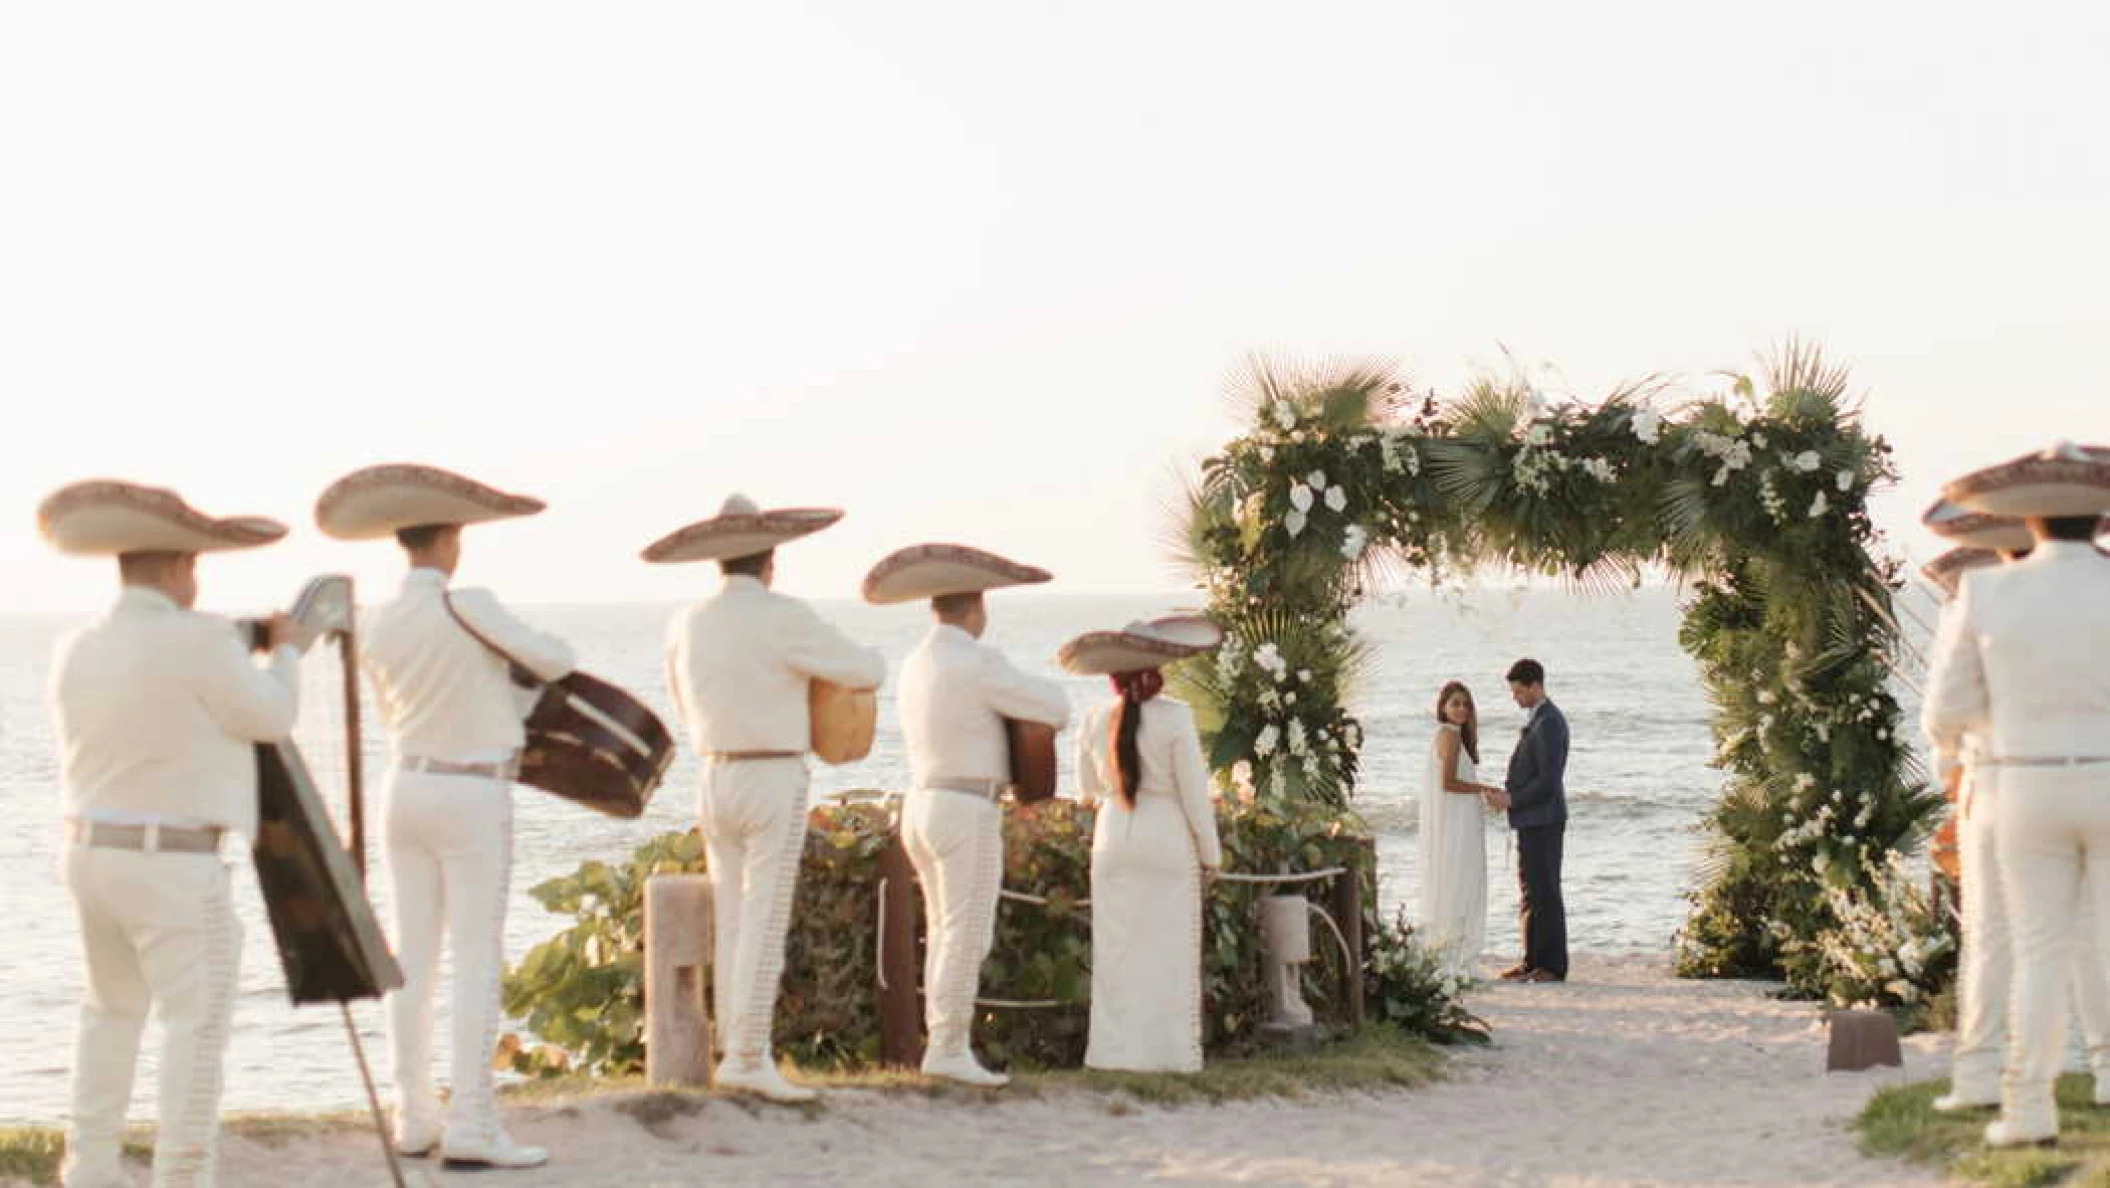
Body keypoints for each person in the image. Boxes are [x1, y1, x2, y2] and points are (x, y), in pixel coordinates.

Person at [40, 479, 302, 1187]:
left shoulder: (76, 645)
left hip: (90, 850)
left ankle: (89, 1169)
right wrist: (286, 653)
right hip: (173, 863)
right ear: (184, 566)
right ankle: (182, 1176)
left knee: (108, 1016)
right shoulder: (201, 638)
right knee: (196, 1025)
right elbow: (270, 717)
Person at [315, 463, 574, 1169]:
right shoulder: (474, 603)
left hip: (407, 785)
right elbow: (557, 661)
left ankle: (412, 1116)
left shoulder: (378, 617)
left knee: (413, 959)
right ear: (452, 538)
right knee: (476, 958)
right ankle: (473, 1123)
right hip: (472, 789)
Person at [650, 494, 885, 1103]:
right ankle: (749, 1056)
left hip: (713, 772)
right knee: (763, 916)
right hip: (772, 774)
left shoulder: (686, 621)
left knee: (732, 916)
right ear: (771, 559)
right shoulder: (782, 614)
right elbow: (863, 670)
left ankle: (736, 1048)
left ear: (718, 562)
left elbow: (678, 696)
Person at [1924, 441, 2110, 1147]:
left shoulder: (1988, 591)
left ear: (2026, 519)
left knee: (2034, 947)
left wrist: (1992, 733)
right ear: (2100, 519)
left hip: (2025, 781)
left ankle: (2029, 1109)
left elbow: (1947, 707)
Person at [865, 543, 1070, 1086]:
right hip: (965, 808)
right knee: (965, 933)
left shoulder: (916, 662)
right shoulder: (977, 661)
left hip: (921, 803)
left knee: (944, 929)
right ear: (976, 608)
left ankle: (943, 1042)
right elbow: (1054, 708)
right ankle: (949, 1048)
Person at [1059, 615, 1225, 1072]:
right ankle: (1167, 1056)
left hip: (1113, 834)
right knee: (1168, 952)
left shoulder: (1094, 718)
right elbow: (1193, 793)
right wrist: (1211, 854)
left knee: (1116, 952)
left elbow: (1087, 789)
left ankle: (1113, 1053)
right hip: (1165, 834)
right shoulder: (1176, 716)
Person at [1487, 658, 1568, 984]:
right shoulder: (1538, 719)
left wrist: (1512, 799)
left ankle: (1552, 965)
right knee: (1530, 891)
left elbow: (1548, 780)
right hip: (1531, 820)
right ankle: (1531, 961)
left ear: (1535, 686)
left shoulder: (1549, 721)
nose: (1515, 698)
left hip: (1544, 820)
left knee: (1546, 891)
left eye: (1519, 691)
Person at [1420, 681, 1505, 983]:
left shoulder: (1454, 737)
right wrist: (1485, 788)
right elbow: (1448, 783)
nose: (1461, 709)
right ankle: (1455, 957)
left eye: (1466, 704)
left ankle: (1458, 954)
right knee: (1461, 880)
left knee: (1461, 880)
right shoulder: (1448, 736)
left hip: (1461, 819)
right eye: (1455, 703)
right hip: (1456, 822)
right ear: (1443, 706)